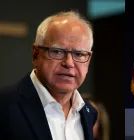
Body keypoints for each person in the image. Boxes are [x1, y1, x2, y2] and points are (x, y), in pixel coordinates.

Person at [0, 11, 97, 140]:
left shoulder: (89, 112)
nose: (68, 63)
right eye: (57, 52)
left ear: (88, 60)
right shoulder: (4, 105)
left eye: (79, 54)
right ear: (35, 55)